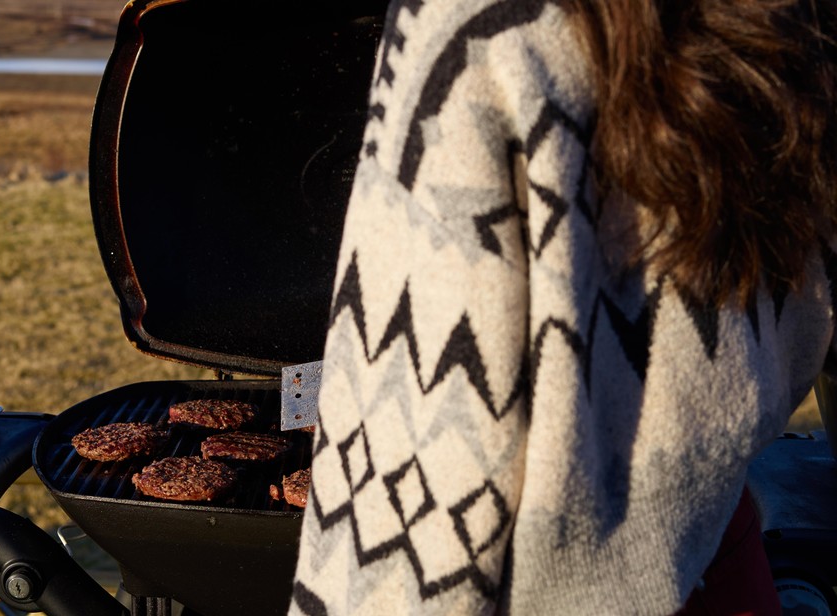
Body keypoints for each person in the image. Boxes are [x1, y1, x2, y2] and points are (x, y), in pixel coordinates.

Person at [289, 0, 837, 614]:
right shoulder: (791, 18)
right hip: (723, 564)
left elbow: (411, 470)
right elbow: (802, 321)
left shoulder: (472, 24)